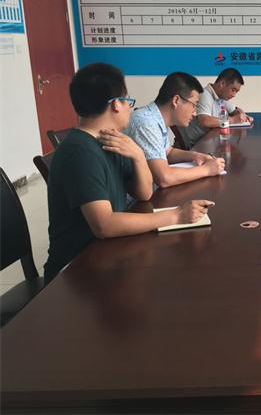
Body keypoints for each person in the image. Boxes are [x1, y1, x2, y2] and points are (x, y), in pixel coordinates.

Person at [45, 63, 213, 283]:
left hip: (107, 253)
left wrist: (138, 155)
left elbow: (143, 193)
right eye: (128, 101)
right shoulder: (80, 152)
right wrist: (176, 216)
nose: (130, 109)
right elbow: (104, 225)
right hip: (76, 272)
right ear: (115, 104)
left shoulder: (111, 139)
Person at [126, 72, 226, 188]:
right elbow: (164, 177)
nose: (195, 113)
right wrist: (207, 170)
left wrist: (196, 156)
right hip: (139, 198)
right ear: (176, 100)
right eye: (194, 105)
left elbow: (167, 152)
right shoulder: (146, 123)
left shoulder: (157, 118)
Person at [182, 68, 254, 147]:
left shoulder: (221, 97)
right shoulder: (205, 95)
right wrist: (233, 119)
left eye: (236, 92)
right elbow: (205, 121)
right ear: (222, 83)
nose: (234, 95)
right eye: (233, 90)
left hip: (212, 141)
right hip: (198, 145)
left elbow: (235, 110)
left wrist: (242, 115)